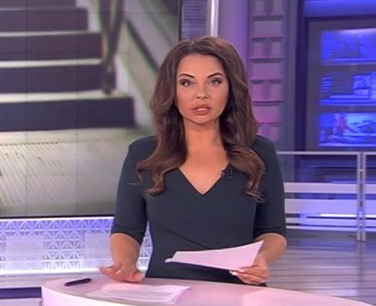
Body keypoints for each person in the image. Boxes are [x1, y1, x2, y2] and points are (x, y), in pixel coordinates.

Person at [102, 36, 287, 285]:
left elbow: (274, 231)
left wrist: (261, 258)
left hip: (239, 294)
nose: (201, 94)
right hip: (166, 295)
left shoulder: (259, 153)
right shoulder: (143, 154)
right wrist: (125, 263)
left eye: (215, 81)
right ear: (172, 91)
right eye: (187, 82)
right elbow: (126, 230)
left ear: (231, 88)